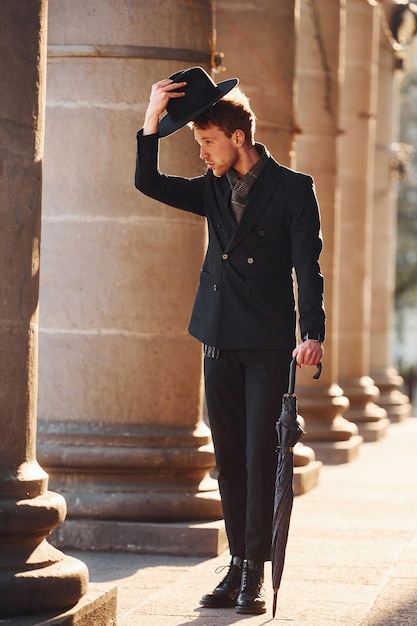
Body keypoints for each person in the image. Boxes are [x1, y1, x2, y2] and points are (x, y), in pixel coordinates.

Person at [135, 66, 325, 615]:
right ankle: (238, 564)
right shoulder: (212, 190)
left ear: (238, 137)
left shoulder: (293, 189)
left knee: (259, 459)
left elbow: (305, 266)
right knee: (227, 457)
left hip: (266, 343)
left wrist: (311, 331)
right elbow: (148, 183)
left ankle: (255, 574)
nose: (203, 154)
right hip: (217, 336)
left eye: (208, 142)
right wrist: (152, 117)